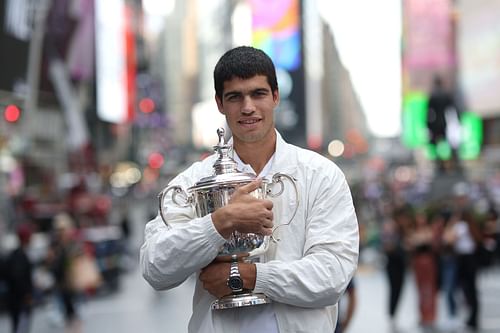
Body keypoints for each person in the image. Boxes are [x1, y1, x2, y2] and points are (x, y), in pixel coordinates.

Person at [140, 46, 359, 332]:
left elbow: (333, 275)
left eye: (258, 94)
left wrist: (247, 276)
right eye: (235, 97)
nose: (247, 107)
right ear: (219, 103)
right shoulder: (196, 179)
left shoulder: (320, 175)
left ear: (276, 97)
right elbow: (155, 268)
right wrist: (218, 223)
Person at [4, 223, 34, 333]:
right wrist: (26, 295)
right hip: (19, 300)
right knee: (20, 327)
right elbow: (18, 277)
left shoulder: (16, 254)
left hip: (15, 299)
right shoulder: (20, 256)